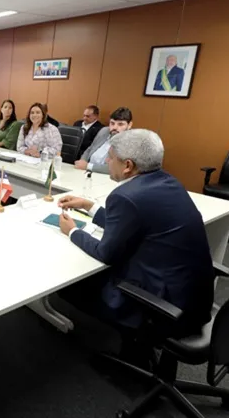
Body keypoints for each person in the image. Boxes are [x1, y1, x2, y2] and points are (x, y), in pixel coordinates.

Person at [57, 129, 214, 335]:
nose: (107, 161)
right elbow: (132, 222)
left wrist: (72, 231)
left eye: (111, 157)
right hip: (195, 299)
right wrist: (89, 206)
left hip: (164, 307)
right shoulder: (169, 182)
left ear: (128, 166)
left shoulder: (125, 195)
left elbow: (106, 254)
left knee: (72, 283)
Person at [75, 107, 132, 174]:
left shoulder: (130, 141)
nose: (115, 127)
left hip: (106, 176)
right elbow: (90, 148)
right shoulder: (104, 131)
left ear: (129, 125)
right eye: (112, 123)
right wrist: (82, 161)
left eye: (120, 124)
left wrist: (88, 166)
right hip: (86, 171)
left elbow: (116, 168)